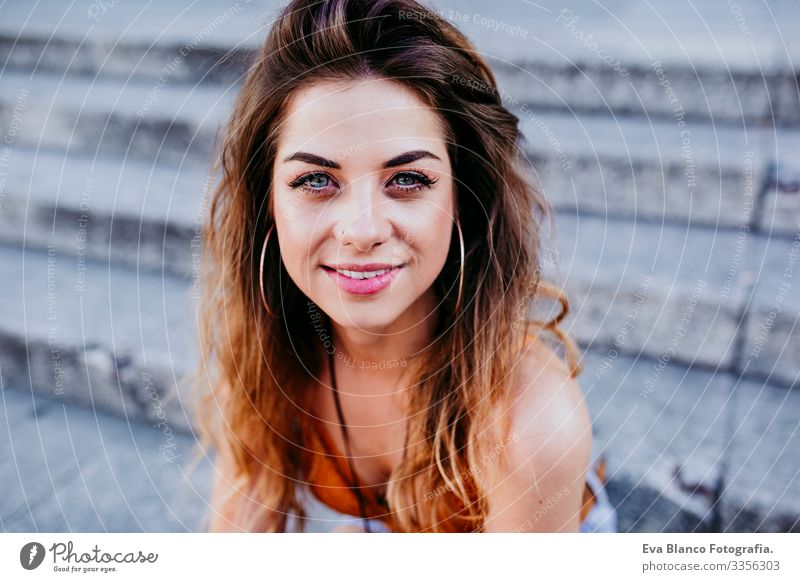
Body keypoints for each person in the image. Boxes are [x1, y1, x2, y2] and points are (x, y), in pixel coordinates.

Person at [191, 0, 617, 533]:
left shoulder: (533, 425)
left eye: (408, 180)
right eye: (316, 181)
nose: (362, 231)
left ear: (464, 197)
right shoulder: (267, 346)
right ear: (268, 204)